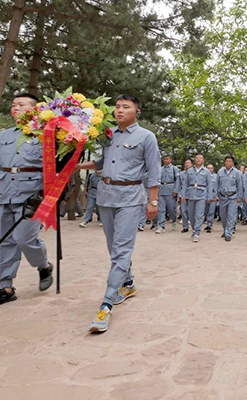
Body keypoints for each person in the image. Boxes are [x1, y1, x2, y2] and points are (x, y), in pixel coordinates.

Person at [76, 94, 161, 333]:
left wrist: (153, 200)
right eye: (117, 107)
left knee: (122, 249)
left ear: (137, 112)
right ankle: (128, 282)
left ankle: (106, 303)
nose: (120, 110)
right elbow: (103, 162)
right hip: (106, 195)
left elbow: (154, 170)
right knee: (113, 246)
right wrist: (79, 165)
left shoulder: (146, 137)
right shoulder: (108, 134)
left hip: (130, 198)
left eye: (126, 107)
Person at [0, 93, 53, 311]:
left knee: (24, 239)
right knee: (1, 240)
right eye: (13, 105)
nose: (15, 108)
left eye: (21, 104)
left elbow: (52, 168)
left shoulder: (45, 134)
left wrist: (49, 197)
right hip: (4, 193)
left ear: (35, 109)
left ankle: (43, 265)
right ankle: (6, 288)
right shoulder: (5, 135)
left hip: (31, 196)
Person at [180, 154, 212, 243]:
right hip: (190, 195)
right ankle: (194, 229)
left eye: (200, 158)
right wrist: (183, 195)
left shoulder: (206, 171)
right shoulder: (189, 171)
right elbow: (185, 184)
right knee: (191, 215)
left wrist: (209, 196)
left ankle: (197, 232)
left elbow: (209, 185)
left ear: (203, 160)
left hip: (201, 195)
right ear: (194, 160)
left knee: (199, 215)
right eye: (197, 158)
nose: (198, 159)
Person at [215, 156, 244, 241]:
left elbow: (239, 185)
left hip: (233, 197)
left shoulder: (237, 173)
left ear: (233, 163)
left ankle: (228, 233)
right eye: (227, 161)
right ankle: (225, 230)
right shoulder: (220, 171)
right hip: (222, 197)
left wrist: (239, 197)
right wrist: (215, 195)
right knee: (223, 216)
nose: (228, 163)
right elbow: (216, 184)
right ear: (224, 162)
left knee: (231, 215)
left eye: (230, 161)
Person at [155, 154, 179, 233]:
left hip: (170, 190)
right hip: (162, 189)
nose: (166, 160)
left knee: (171, 208)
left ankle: (174, 220)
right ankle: (161, 226)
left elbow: (177, 180)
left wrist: (176, 190)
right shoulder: (160, 169)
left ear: (170, 160)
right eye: (165, 159)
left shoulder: (174, 168)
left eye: (168, 159)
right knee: (161, 209)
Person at [179, 159, 192, 232]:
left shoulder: (194, 173)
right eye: (186, 163)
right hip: (183, 194)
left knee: (191, 211)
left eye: (188, 163)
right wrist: (179, 195)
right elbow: (179, 185)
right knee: (183, 211)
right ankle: (185, 227)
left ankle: (194, 226)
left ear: (191, 164)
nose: (187, 164)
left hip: (192, 194)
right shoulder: (181, 174)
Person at [205, 163, 217, 233]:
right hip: (204, 196)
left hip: (213, 196)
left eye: (211, 168)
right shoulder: (203, 176)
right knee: (205, 211)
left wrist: (216, 196)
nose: (209, 169)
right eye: (208, 168)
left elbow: (217, 187)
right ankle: (207, 222)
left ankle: (209, 225)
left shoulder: (216, 176)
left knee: (211, 212)